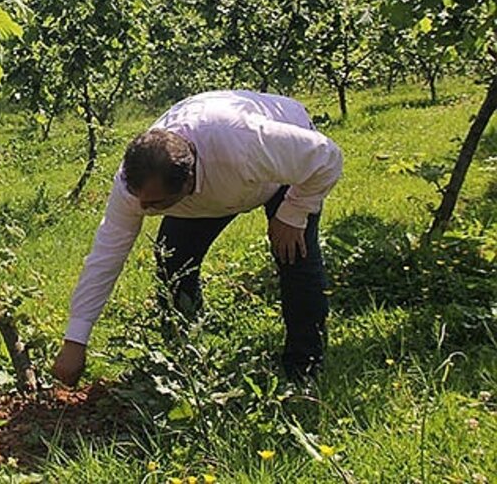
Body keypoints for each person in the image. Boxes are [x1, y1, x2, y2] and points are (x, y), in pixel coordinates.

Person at [52, 90, 343, 385]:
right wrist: (75, 341)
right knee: (174, 261)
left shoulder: (246, 142)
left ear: (187, 182)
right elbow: (106, 255)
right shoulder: (135, 188)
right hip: (220, 186)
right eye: (140, 199)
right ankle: (184, 359)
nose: (142, 209)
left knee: (294, 255)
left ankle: (304, 368)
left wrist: (293, 213)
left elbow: (326, 157)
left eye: (154, 203)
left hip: (284, 175)